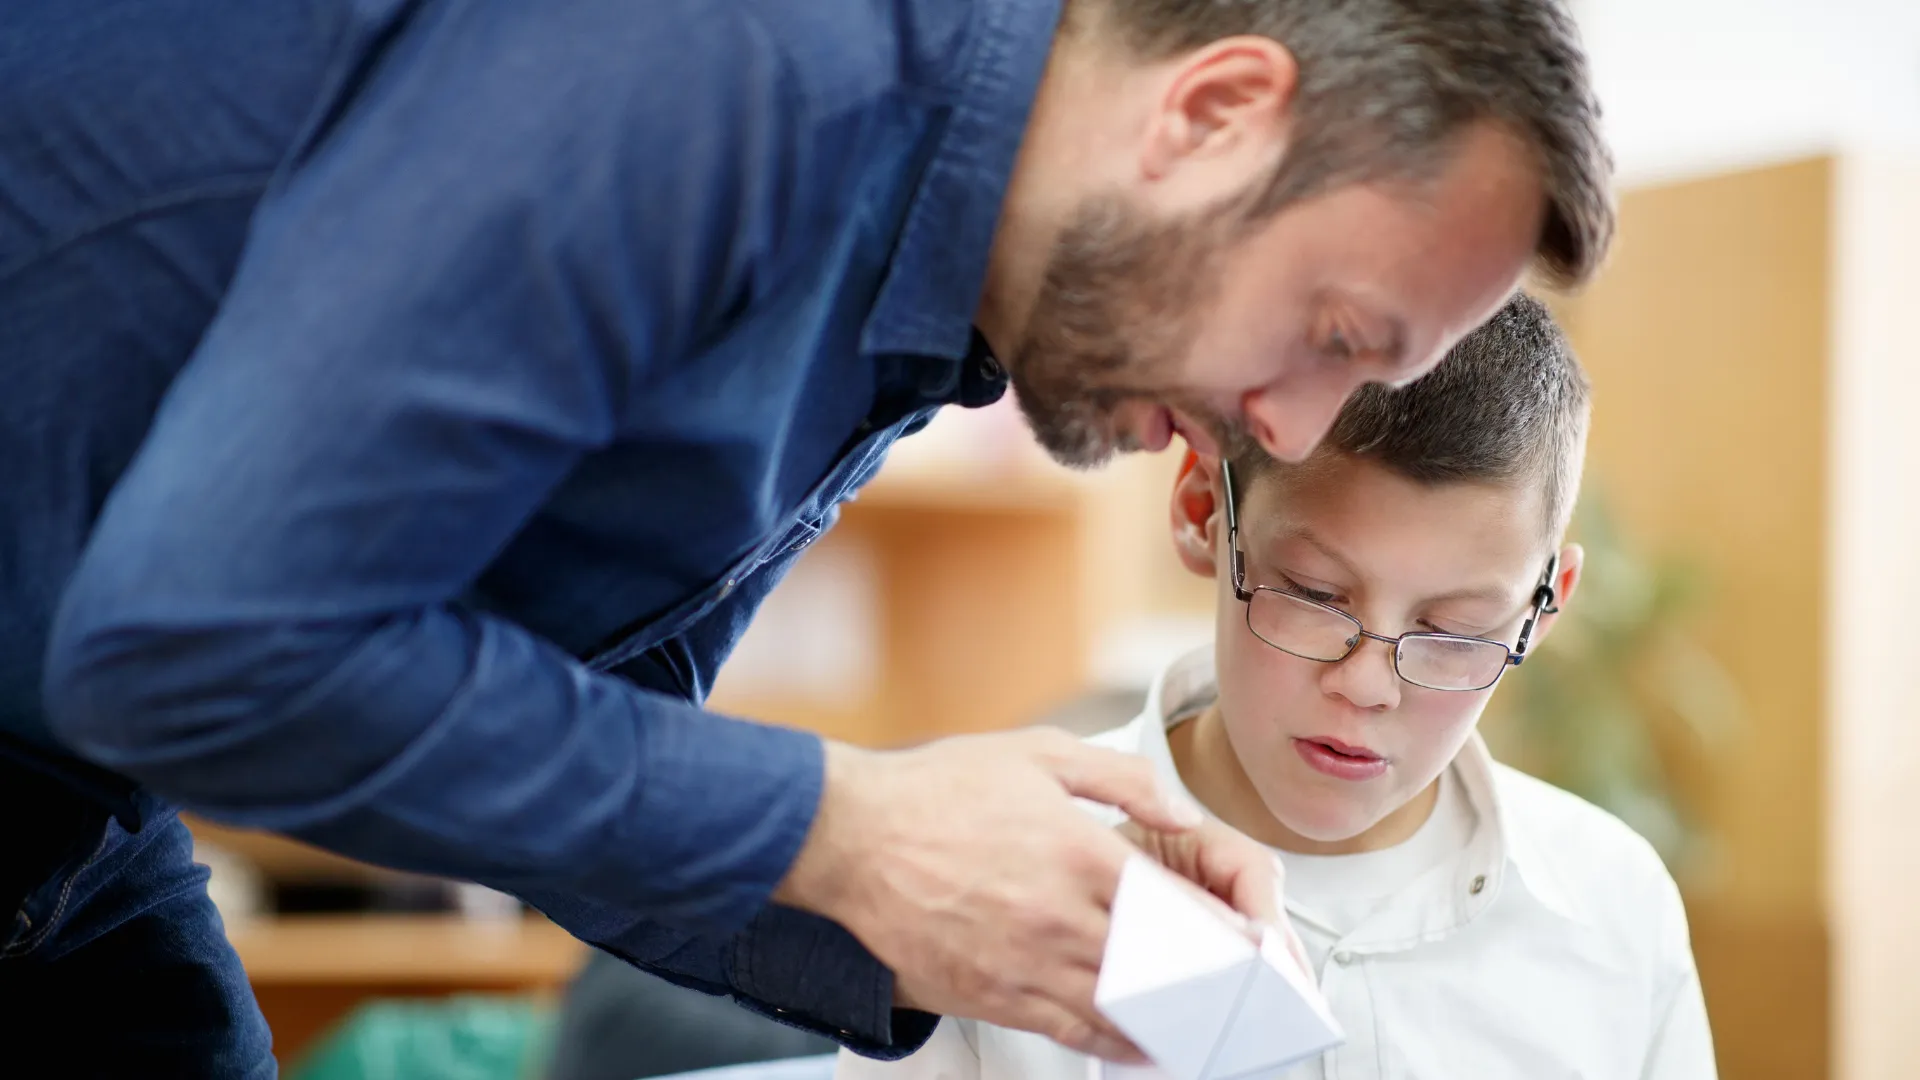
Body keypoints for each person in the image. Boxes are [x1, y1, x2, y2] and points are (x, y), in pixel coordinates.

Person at [0, 0, 1610, 1074]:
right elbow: (199, 640)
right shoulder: (735, 60)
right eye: (1332, 331)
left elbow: (567, 756)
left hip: (70, 804)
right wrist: (850, 829)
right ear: (1212, 113)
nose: (1298, 431)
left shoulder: (919, 294)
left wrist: (957, 901)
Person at [835, 295, 1718, 1080]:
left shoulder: (1614, 907)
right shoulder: (994, 879)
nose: (1368, 685)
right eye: (1313, 595)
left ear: (1544, 608)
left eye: (1453, 633)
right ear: (1201, 517)